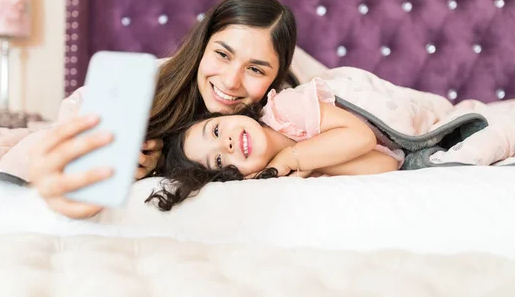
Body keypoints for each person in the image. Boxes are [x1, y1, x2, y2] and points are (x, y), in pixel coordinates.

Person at [28, 0, 304, 218]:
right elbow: (60, 147)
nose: (231, 81)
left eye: (255, 70)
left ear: (274, 79)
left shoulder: (288, 105)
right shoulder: (148, 93)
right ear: (202, 45)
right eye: (222, 54)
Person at [145, 78, 404, 211]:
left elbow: (363, 137)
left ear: (227, 114)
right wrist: (309, 167)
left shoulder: (284, 109)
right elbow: (388, 163)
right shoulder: (292, 176)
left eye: (215, 130)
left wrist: (291, 159)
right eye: (220, 161)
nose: (228, 144)